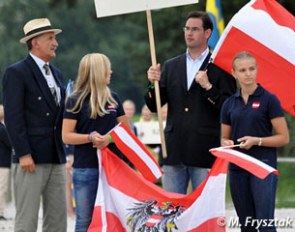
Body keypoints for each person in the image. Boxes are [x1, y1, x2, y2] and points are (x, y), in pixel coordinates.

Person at [145, 11, 237, 194]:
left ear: (208, 33)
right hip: (172, 151)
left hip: (204, 150)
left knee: (203, 213)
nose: (189, 33)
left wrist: (209, 87)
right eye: (187, 28)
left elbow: (229, 110)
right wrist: (151, 82)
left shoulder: (220, 68)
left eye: (195, 29)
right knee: (171, 212)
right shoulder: (171, 65)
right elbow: (154, 106)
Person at [2, 18, 67, 231]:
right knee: (27, 220)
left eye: (55, 37)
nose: (55, 42)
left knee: (57, 221)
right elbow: (13, 117)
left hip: (56, 157)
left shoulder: (57, 73)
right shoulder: (17, 72)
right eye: (50, 38)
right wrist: (22, 153)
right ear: (35, 42)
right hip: (29, 158)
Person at [220, 51, 289, 232]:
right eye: (242, 70)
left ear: (257, 70)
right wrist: (226, 144)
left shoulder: (269, 100)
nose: (248, 73)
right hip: (237, 169)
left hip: (263, 167)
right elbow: (224, 138)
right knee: (246, 225)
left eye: (251, 68)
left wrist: (256, 141)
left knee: (265, 225)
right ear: (234, 73)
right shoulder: (229, 104)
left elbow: (284, 137)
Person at [62, 53, 128, 232]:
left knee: (114, 217)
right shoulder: (74, 99)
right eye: (107, 68)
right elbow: (66, 136)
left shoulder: (113, 97)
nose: (111, 71)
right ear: (97, 72)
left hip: (114, 168)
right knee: (85, 220)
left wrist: (110, 139)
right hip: (86, 169)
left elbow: (125, 131)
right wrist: (89, 137)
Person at [0, 105, 13, 221]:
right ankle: (0, 211)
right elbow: (10, 143)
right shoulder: (2, 129)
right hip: (2, 163)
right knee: (2, 187)